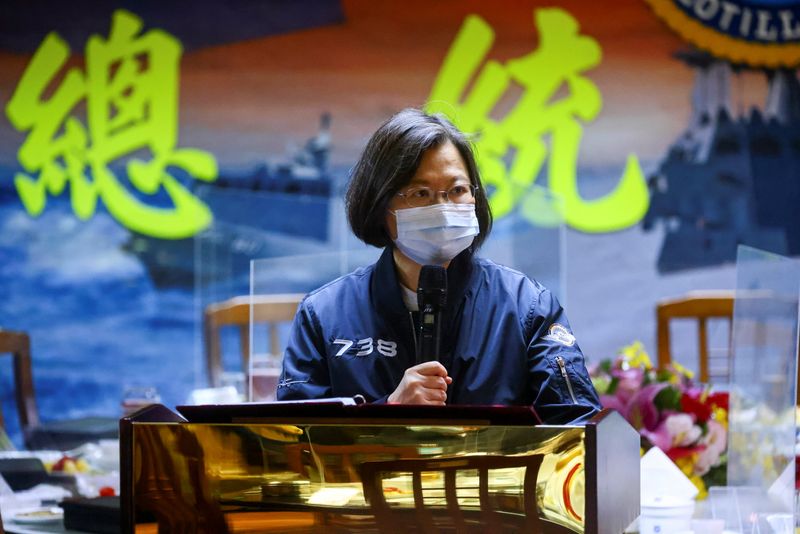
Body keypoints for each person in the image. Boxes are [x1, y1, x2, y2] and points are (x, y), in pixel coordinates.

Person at [277, 108, 601, 423]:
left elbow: (578, 425)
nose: (443, 208)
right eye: (421, 193)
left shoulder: (528, 307)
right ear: (380, 205)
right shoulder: (324, 315)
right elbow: (293, 438)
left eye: (457, 190)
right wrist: (387, 410)